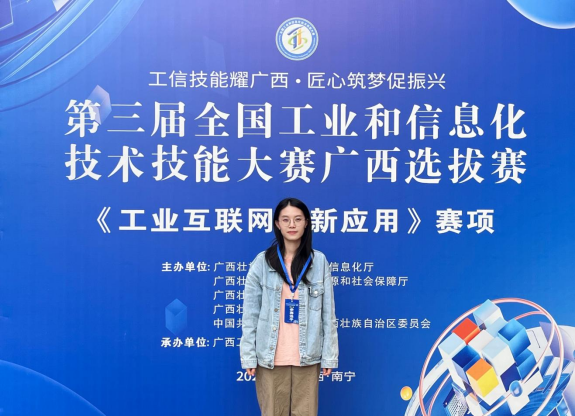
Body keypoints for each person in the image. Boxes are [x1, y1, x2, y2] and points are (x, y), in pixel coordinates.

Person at [240, 197, 339, 416]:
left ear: (306, 223)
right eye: (285, 220)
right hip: (270, 358)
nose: (292, 225)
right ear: (277, 224)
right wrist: (248, 355)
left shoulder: (319, 262)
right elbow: (250, 314)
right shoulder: (262, 262)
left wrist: (329, 355)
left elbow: (328, 314)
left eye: (297, 219)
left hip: (307, 357)